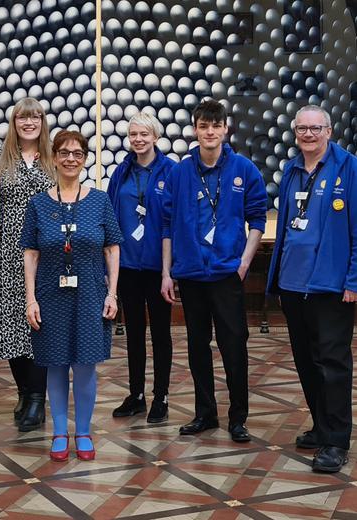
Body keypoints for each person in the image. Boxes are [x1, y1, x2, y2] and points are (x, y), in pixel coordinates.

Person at [161, 99, 266, 443]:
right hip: (191, 275)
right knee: (196, 346)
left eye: (215, 126)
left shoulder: (244, 169)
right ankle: (205, 413)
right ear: (195, 129)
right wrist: (167, 272)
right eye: (203, 126)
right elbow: (165, 224)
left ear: (225, 129)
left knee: (233, 345)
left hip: (226, 275)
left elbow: (257, 219)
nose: (209, 132)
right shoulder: (179, 172)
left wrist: (244, 262)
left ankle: (238, 418)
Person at [21, 130, 122, 461]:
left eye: (77, 154)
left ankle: (83, 432)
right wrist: (30, 298)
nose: (70, 159)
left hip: (92, 293)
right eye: (64, 153)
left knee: (85, 364)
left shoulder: (99, 200)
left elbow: (112, 248)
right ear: (53, 158)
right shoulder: (38, 204)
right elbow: (31, 253)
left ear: (85, 159)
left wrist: (113, 294)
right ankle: (60, 432)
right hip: (50, 294)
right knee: (54, 363)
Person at [267, 105, 357, 473]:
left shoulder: (348, 167)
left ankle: (336, 441)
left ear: (329, 131)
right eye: (302, 128)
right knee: (306, 362)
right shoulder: (290, 170)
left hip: (331, 287)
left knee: (333, 364)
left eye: (315, 128)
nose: (308, 134)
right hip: (292, 285)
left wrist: (352, 280)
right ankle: (321, 427)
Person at [0, 98, 55, 432]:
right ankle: (25, 392)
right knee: (11, 325)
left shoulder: (55, 157)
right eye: (22, 117)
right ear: (13, 122)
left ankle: (38, 399)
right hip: (6, 252)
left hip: (46, 252)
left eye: (35, 116)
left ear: (42, 120)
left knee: (39, 325)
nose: (29, 122)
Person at [107, 111, 174, 423]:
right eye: (133, 134)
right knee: (132, 332)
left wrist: (169, 272)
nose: (138, 139)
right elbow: (110, 219)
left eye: (144, 134)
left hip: (158, 270)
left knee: (161, 333)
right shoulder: (121, 173)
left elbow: (174, 223)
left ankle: (161, 396)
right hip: (128, 267)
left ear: (155, 137)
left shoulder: (171, 172)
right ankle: (136, 395)